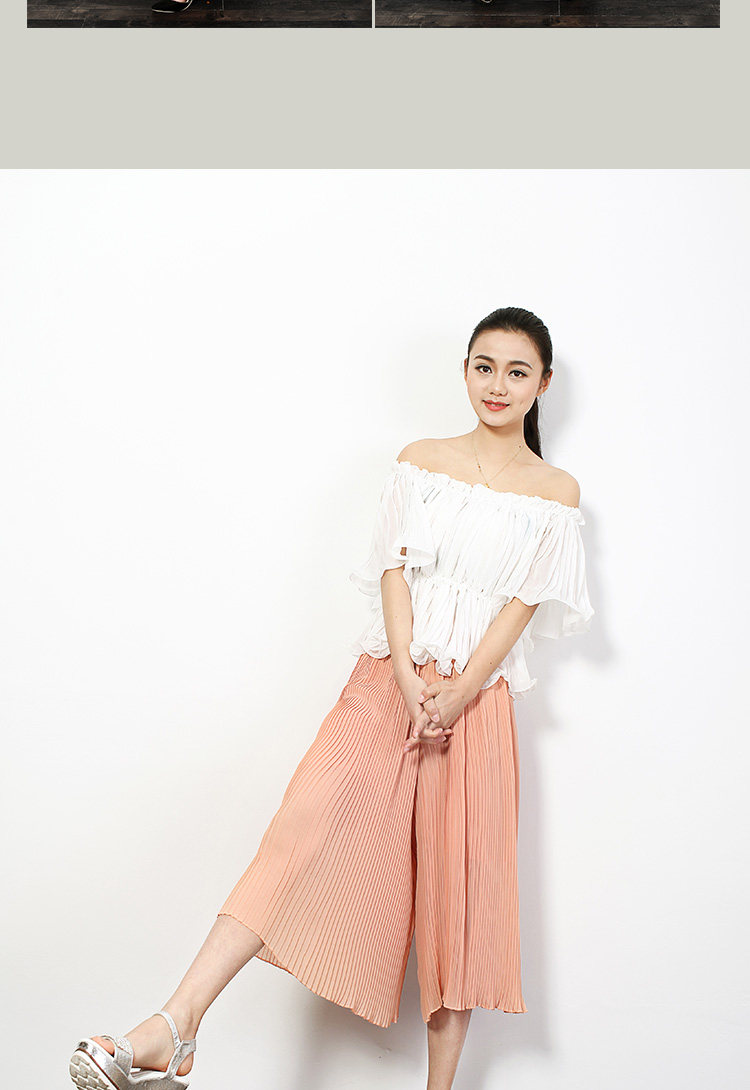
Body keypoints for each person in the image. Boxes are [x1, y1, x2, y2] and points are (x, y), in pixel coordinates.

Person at [69, 306, 594, 1090]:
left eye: (517, 371)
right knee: (299, 833)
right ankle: (175, 1026)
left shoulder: (555, 492)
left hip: (477, 707)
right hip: (387, 681)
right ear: (464, 370)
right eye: (484, 366)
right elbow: (393, 569)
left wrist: (458, 693)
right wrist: (410, 677)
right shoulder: (421, 461)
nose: (497, 384)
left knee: (457, 903)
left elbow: (523, 606)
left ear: (542, 384)